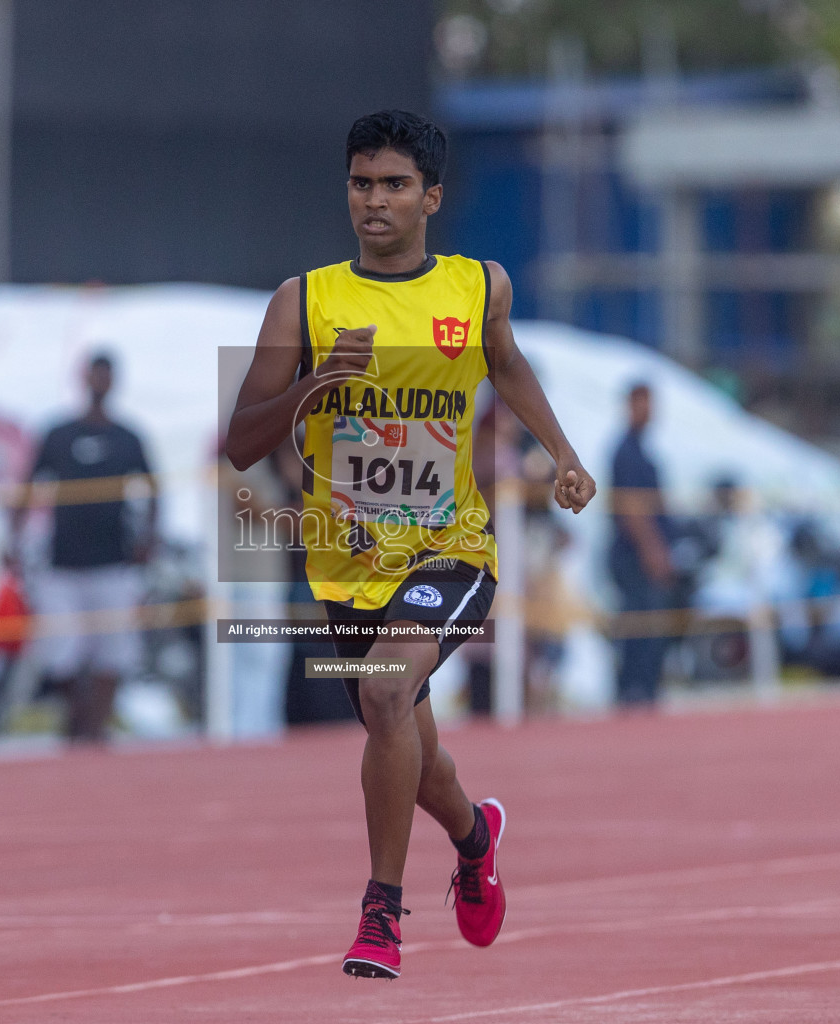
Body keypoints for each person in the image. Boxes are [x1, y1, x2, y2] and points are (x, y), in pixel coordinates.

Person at [225, 110, 595, 979]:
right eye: (361, 183)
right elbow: (241, 439)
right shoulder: (305, 300)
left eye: (394, 185)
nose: (374, 201)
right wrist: (317, 385)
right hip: (346, 564)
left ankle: (380, 917)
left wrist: (564, 455)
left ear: (431, 196)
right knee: (415, 756)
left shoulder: (477, 287)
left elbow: (503, 361)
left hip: (451, 548)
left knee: (388, 696)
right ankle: (474, 839)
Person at [9, 352, 158, 743]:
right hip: (63, 563)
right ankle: (80, 719)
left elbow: (156, 490)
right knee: (60, 653)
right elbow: (28, 488)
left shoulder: (129, 437)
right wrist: (13, 541)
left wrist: (149, 538)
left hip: (114, 561)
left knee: (115, 651)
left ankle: (98, 725)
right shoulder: (57, 434)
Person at [608, 382, 673, 708]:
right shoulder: (627, 451)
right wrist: (653, 551)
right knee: (639, 626)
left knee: (646, 625)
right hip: (634, 557)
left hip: (639, 554)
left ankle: (641, 691)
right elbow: (632, 510)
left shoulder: (639, 448)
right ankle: (634, 692)